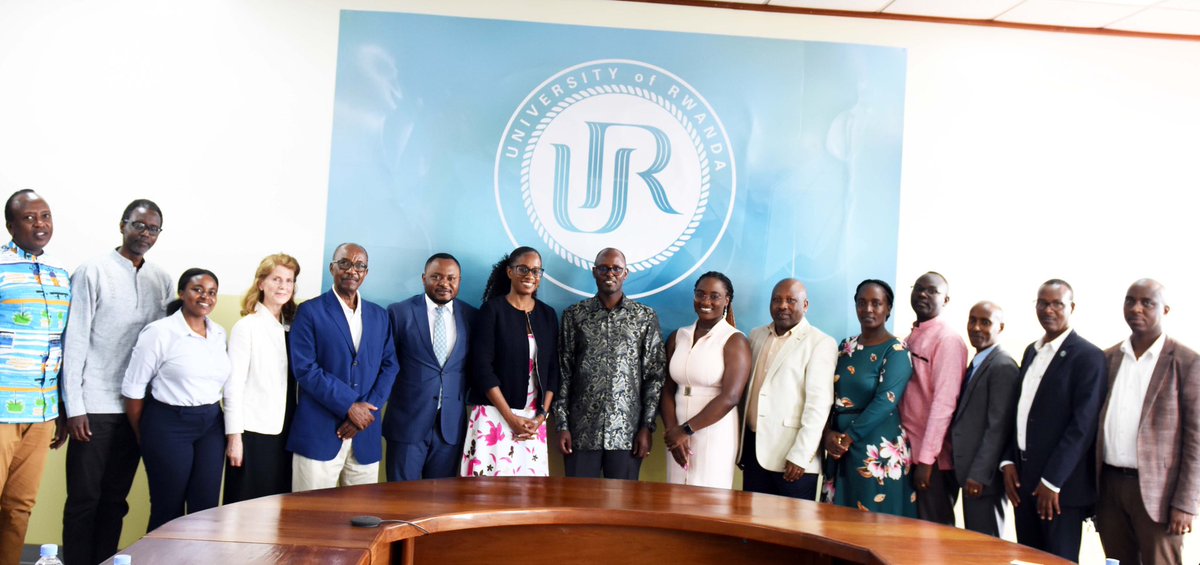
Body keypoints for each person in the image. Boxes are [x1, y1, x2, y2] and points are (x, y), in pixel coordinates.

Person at [61, 199, 172, 564]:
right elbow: (74, 340)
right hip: (93, 406)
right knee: (84, 500)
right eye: (138, 225)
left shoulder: (161, 280)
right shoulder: (92, 270)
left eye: (153, 228)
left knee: (114, 500)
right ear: (122, 225)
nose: (145, 234)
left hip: (135, 408)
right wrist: (73, 407)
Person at [1000, 279, 1106, 561]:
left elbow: (1082, 427)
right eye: (1042, 303)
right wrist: (1008, 460)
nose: (1049, 309)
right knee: (1029, 558)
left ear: (1072, 307)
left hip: (1060, 490)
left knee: (1058, 559)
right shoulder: (1031, 351)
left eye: (1057, 303)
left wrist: (1053, 481)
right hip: (1023, 479)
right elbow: (1021, 412)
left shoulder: (1088, 357)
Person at [1096, 279, 1200, 565]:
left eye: (1147, 302)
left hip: (1160, 496)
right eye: (1130, 301)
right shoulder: (1107, 358)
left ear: (1165, 310)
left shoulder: (1187, 362)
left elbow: (1196, 441)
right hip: (1110, 488)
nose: (1136, 308)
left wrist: (1186, 503)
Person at [122, 268, 229, 531]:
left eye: (212, 292)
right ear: (182, 293)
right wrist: (143, 433)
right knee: (167, 508)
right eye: (197, 289)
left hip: (211, 424)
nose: (205, 296)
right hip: (168, 425)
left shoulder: (218, 333)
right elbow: (133, 389)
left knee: (205, 507)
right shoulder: (160, 332)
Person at [287, 243, 397, 491]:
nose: (352, 270)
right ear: (332, 268)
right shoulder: (309, 311)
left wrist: (364, 413)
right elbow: (305, 369)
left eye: (360, 265)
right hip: (319, 433)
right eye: (345, 263)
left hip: (365, 436)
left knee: (361, 519)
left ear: (366, 273)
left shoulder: (379, 316)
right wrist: (349, 406)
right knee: (311, 516)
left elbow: (390, 367)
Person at [0, 190, 70, 565]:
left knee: (19, 507)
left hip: (41, 412)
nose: (40, 224)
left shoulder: (61, 274)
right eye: (29, 218)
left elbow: (61, 344)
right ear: (11, 225)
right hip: (1, 408)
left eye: (45, 216)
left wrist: (58, 407)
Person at [554, 248, 666, 479]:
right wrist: (562, 425)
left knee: (622, 510)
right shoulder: (575, 315)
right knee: (579, 507)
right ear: (595, 272)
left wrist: (647, 427)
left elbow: (654, 377)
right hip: (581, 432)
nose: (610, 273)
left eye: (616, 268)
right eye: (604, 268)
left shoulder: (644, 317)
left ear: (626, 273)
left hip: (627, 433)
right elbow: (563, 372)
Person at [823, 279, 916, 517]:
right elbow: (827, 395)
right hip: (839, 445)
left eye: (877, 303)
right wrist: (828, 435)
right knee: (837, 520)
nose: (868, 309)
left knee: (873, 520)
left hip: (876, 445)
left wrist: (848, 438)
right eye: (862, 303)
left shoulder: (896, 350)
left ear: (888, 309)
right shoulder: (846, 346)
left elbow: (886, 400)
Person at [462, 246, 558, 477]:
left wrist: (541, 416)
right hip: (494, 415)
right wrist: (510, 417)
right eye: (523, 269)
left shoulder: (547, 315)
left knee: (529, 495)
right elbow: (482, 369)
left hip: (533, 421)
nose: (530, 275)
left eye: (536, 271)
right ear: (509, 272)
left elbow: (553, 371)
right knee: (486, 494)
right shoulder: (492, 310)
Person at [739, 278, 836, 499]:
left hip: (793, 459)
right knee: (754, 527)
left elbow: (818, 406)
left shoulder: (819, 343)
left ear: (805, 305)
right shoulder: (756, 335)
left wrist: (801, 456)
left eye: (791, 300)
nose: (783, 306)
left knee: (792, 528)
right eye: (777, 300)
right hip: (754, 453)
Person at [384, 253, 477, 481]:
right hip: (408, 422)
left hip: (449, 426)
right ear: (424, 278)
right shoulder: (399, 312)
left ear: (459, 281)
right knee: (401, 500)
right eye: (436, 276)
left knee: (439, 502)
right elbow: (387, 364)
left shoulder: (472, 316)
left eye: (451, 278)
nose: (444, 283)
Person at [661, 271, 751, 488]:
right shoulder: (678, 336)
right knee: (675, 493)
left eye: (714, 296)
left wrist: (686, 430)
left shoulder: (734, 340)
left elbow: (731, 397)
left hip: (714, 431)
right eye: (700, 294)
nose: (706, 301)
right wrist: (673, 433)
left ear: (726, 300)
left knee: (708, 496)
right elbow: (666, 389)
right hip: (675, 432)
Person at [222, 253, 300, 502]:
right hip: (254, 433)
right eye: (276, 279)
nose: (283, 286)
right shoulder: (247, 327)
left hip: (286, 430)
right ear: (261, 283)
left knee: (278, 508)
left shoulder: (293, 326)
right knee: (246, 508)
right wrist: (234, 438)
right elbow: (232, 387)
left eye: (289, 280)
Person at [901, 272, 968, 524]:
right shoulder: (913, 335)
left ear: (946, 300)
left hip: (932, 464)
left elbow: (944, 405)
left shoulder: (947, 340)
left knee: (933, 537)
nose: (922, 294)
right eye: (918, 288)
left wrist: (927, 461)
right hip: (908, 454)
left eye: (931, 291)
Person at [950, 301, 1020, 537]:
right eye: (972, 320)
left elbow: (997, 427)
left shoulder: (1002, 365)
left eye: (985, 322)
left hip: (984, 479)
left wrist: (979, 475)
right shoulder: (979, 362)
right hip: (969, 473)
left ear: (1001, 327)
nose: (976, 327)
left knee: (986, 548)